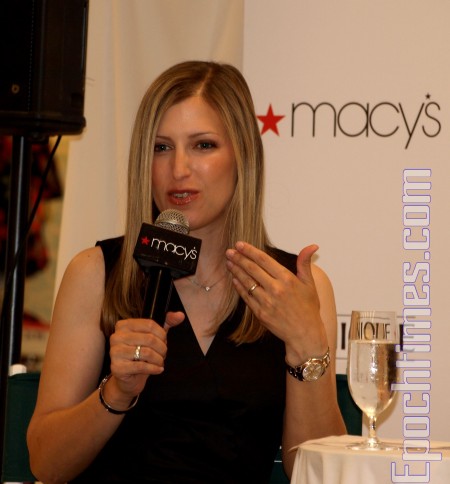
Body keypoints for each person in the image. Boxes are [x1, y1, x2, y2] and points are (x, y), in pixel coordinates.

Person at [27, 61, 346, 483]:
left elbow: (321, 474)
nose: (179, 169)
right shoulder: (96, 273)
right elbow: (46, 464)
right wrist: (116, 391)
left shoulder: (296, 287)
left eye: (203, 145)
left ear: (243, 155)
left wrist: (307, 344)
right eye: (161, 148)